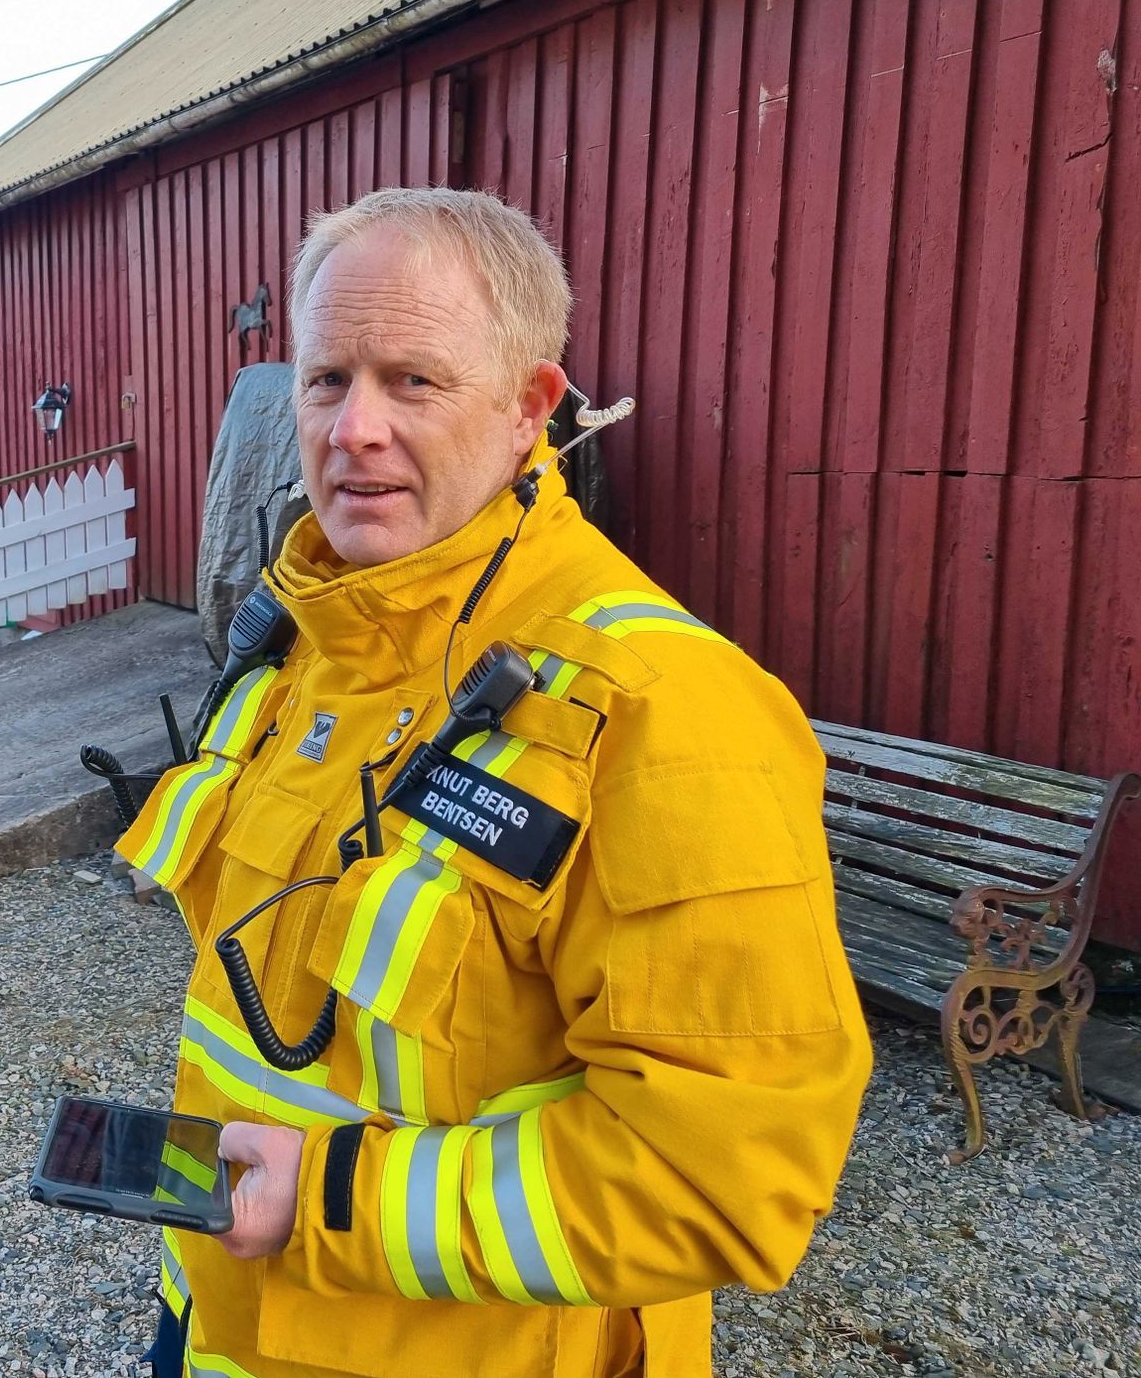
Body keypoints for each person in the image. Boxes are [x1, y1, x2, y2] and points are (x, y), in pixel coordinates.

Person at [114, 187, 872, 1378]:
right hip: (212, 1316)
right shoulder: (303, 640)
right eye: (324, 380)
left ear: (528, 409)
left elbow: (721, 1173)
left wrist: (327, 1196)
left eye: (412, 380)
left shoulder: (663, 713)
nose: (351, 428)